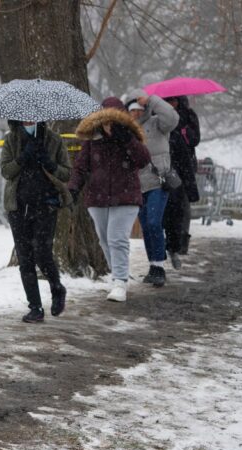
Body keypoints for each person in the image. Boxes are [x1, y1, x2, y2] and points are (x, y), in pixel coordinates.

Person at [69, 97, 151, 302]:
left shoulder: (130, 137)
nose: (109, 126)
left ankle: (120, 282)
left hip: (126, 197)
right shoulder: (92, 140)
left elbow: (143, 160)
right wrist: (72, 188)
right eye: (106, 120)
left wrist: (127, 140)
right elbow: (80, 167)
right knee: (105, 240)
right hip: (97, 198)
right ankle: (117, 276)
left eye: (113, 120)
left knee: (117, 238)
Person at [0, 120, 71, 323]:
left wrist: (49, 163)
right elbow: (6, 171)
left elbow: (66, 173)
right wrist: (22, 158)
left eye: (33, 116)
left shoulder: (54, 140)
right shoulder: (12, 140)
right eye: (24, 116)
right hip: (18, 207)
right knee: (25, 258)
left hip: (45, 205)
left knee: (42, 252)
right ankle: (35, 306)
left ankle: (57, 288)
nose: (28, 120)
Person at [124, 90, 179, 287]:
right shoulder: (127, 131)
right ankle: (154, 265)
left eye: (139, 109)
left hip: (158, 181)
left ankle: (159, 266)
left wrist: (153, 99)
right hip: (137, 184)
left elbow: (172, 118)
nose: (136, 113)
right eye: (132, 110)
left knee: (155, 222)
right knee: (146, 226)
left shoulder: (158, 124)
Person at [163, 95, 200, 263]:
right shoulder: (161, 116)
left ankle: (181, 240)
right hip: (166, 165)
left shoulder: (189, 117)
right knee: (168, 205)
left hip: (184, 166)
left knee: (182, 206)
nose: (172, 104)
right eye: (168, 101)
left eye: (174, 101)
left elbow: (194, 140)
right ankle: (168, 239)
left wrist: (182, 130)